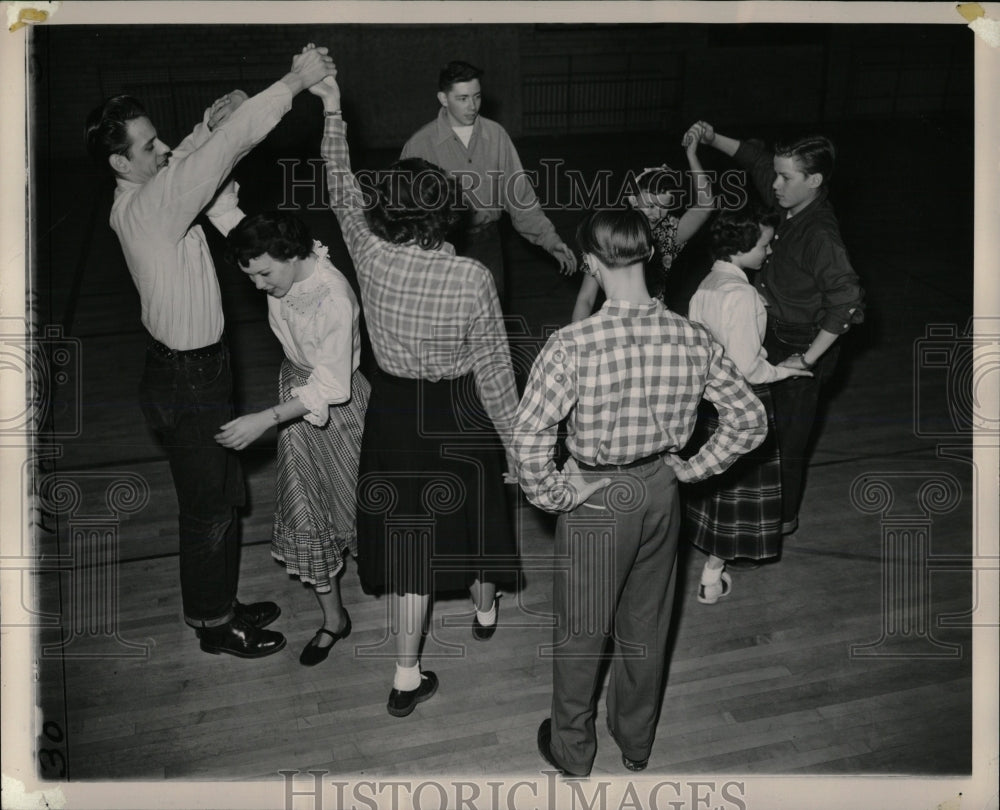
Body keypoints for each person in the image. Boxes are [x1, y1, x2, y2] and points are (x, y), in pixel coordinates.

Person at [84, 45, 336, 658]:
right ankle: (213, 624)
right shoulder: (146, 208)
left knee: (221, 498)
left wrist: (206, 122)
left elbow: (189, 156)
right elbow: (209, 161)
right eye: (148, 146)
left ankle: (221, 602)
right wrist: (292, 83)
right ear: (120, 162)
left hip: (199, 372)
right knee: (208, 512)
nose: (163, 147)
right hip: (186, 381)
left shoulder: (152, 190)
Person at [513, 209, 768, 777]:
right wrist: (692, 468)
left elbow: (528, 438)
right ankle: (636, 744)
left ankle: (572, 751)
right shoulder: (690, 336)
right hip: (660, 491)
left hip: (597, 496)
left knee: (583, 631)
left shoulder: (572, 343)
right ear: (649, 255)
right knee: (646, 625)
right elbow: (749, 420)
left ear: (590, 262)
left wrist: (558, 494)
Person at [312, 57, 520, 717]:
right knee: (478, 510)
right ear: (444, 215)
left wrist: (331, 110)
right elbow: (494, 375)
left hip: (397, 413)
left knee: (411, 542)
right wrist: (520, 449)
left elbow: (339, 181)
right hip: (459, 411)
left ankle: (406, 676)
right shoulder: (471, 280)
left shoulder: (369, 255)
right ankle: (485, 608)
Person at [688, 122, 864, 535]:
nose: (776, 183)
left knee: (789, 437)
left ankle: (783, 519)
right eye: (778, 175)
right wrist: (712, 138)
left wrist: (807, 359)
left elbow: (847, 301)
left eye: (786, 177)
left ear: (814, 181)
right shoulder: (787, 199)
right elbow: (755, 159)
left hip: (800, 344)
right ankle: (751, 508)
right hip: (770, 331)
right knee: (758, 427)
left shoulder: (821, 235)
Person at [216, 211, 370, 666]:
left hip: (338, 413)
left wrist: (266, 419)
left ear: (292, 254)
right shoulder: (274, 258)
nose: (259, 285)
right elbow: (227, 210)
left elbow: (333, 386)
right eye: (251, 276)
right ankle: (334, 619)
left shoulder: (333, 298)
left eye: (264, 273)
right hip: (294, 398)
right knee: (306, 513)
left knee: (355, 510)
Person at [684, 210, 813, 603]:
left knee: (718, 493)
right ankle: (711, 575)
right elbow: (747, 367)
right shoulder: (740, 294)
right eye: (763, 244)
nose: (769, 250)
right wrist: (783, 370)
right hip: (743, 405)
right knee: (735, 499)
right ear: (740, 248)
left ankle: (712, 574)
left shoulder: (706, 285)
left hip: (709, 402)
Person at [400, 60, 576, 304]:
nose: (472, 106)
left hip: (488, 243)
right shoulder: (419, 145)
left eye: (477, 97)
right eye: (462, 99)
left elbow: (520, 198)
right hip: (441, 246)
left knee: (492, 319)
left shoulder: (496, 136)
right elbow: (404, 210)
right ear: (443, 98)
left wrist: (550, 241)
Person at [570, 121, 715, 322]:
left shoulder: (669, 232)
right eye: (648, 205)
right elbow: (585, 299)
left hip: (653, 321)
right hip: (616, 321)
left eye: (663, 206)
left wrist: (691, 154)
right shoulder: (609, 232)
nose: (655, 213)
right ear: (631, 199)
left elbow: (706, 205)